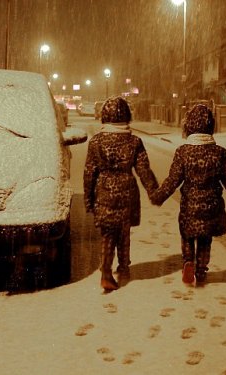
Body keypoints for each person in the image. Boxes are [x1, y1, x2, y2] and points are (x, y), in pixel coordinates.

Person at [150, 104, 226, 285]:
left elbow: (173, 180)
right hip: (211, 205)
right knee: (205, 238)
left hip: (189, 204)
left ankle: (188, 260)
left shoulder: (183, 152)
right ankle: (201, 270)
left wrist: (159, 196)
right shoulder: (219, 153)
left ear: (188, 126)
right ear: (211, 125)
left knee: (187, 234)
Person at [83, 96, 158, 291]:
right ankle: (123, 266)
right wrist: (153, 190)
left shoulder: (96, 142)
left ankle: (106, 270)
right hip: (127, 193)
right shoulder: (134, 141)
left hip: (104, 192)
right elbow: (144, 170)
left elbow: (89, 172)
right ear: (127, 116)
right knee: (124, 231)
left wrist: (88, 199)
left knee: (108, 233)